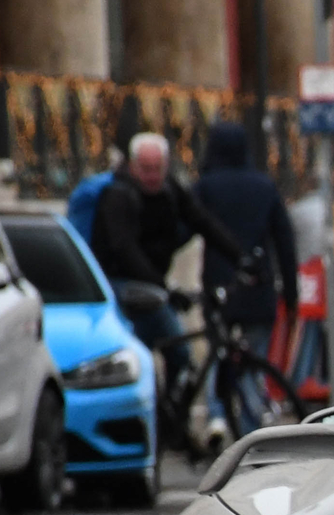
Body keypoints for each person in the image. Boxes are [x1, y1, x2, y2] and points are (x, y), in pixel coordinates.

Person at [89, 131, 251, 362]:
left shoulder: (170, 190)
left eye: (158, 168)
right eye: (146, 169)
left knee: (180, 356)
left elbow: (202, 221)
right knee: (143, 355)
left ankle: (171, 396)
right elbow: (125, 249)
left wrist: (239, 257)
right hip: (123, 285)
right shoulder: (118, 196)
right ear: (133, 166)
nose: (153, 176)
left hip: (155, 285)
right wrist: (164, 288)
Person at [190, 121, 296, 358]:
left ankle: (220, 395)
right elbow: (285, 243)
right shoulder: (264, 187)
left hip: (220, 289)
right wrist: (291, 295)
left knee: (217, 360)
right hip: (258, 287)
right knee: (255, 362)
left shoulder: (205, 187)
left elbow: (182, 229)